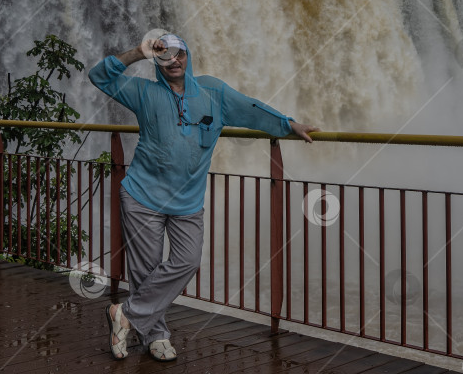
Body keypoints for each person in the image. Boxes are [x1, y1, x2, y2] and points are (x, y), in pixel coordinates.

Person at [89, 34, 318, 361]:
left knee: (188, 261)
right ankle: (155, 335)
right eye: (165, 56)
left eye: (179, 54)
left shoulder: (213, 91)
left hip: (187, 203)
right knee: (146, 269)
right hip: (143, 197)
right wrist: (137, 52)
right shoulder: (144, 93)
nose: (174, 61)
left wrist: (287, 124)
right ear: (157, 61)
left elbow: (250, 109)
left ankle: (124, 313)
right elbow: (99, 76)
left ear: (187, 56)